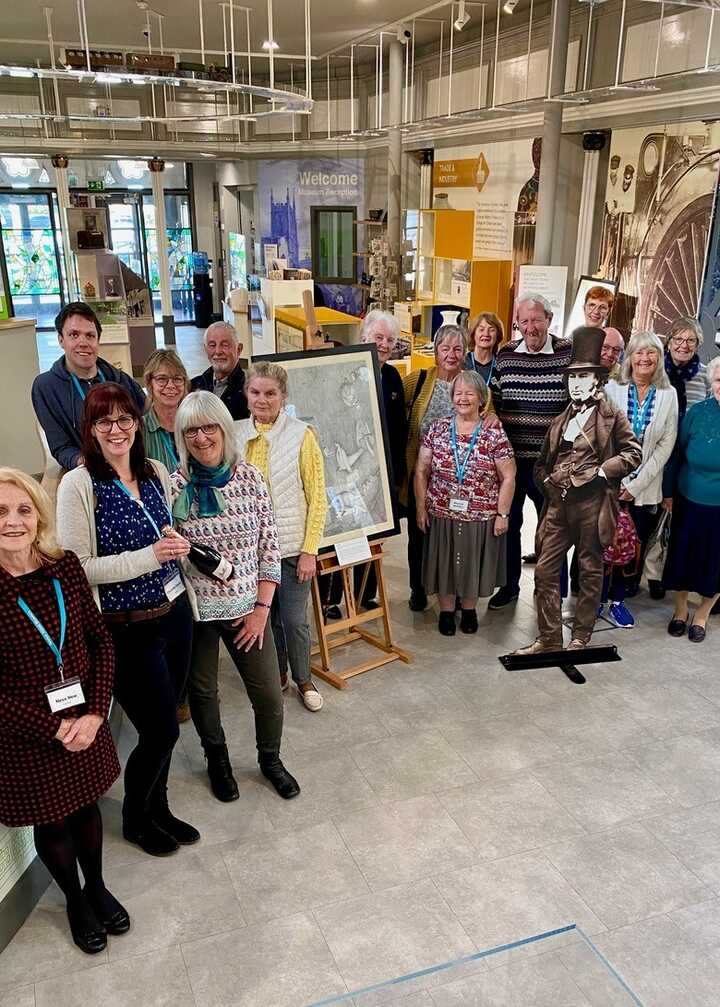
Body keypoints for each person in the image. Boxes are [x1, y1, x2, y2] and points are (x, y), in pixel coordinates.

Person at [56, 384, 198, 858]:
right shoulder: (78, 484)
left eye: (124, 419)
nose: (115, 429)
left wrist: (173, 545)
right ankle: (136, 818)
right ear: (90, 429)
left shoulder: (154, 470)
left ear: (137, 422)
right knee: (160, 731)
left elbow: (163, 532)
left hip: (174, 614)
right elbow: (77, 568)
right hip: (124, 628)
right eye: (104, 421)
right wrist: (149, 556)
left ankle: (159, 807)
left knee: (169, 721)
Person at [0, 468, 128, 955]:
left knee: (87, 807)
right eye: (0, 512)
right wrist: (55, 728)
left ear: (39, 515)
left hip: (84, 720)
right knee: (52, 822)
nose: (13, 521)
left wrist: (95, 714)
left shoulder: (65, 566)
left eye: (23, 509)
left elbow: (100, 641)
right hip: (28, 735)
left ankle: (96, 886)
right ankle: (75, 900)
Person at [171, 391, 299, 803]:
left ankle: (270, 760)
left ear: (224, 429)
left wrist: (261, 610)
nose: (201, 438)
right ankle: (218, 762)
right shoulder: (175, 486)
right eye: (191, 430)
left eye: (209, 427)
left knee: (268, 693)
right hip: (197, 612)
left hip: (249, 609)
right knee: (203, 692)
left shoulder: (249, 478)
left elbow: (269, 549)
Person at [513, 328, 642, 655]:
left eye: (583, 376)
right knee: (545, 571)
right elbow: (541, 464)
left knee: (589, 570)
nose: (576, 383)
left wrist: (602, 471)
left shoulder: (612, 417)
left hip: (592, 504)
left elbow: (633, 453)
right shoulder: (560, 420)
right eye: (572, 376)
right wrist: (547, 484)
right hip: (558, 504)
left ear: (597, 380)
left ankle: (581, 636)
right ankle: (549, 637)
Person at [237, 362, 327, 712]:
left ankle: (304, 678)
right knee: (267, 617)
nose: (262, 399)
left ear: (283, 396)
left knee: (293, 620)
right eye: (255, 392)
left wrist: (310, 550)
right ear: (247, 395)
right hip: (254, 552)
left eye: (270, 393)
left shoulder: (302, 435)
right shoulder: (235, 434)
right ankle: (278, 673)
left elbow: (317, 497)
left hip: (292, 549)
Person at [415, 371, 515, 635]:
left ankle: (469, 610)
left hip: (480, 514)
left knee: (473, 562)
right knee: (445, 562)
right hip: (441, 511)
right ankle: (447, 611)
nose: (463, 398)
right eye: (458, 393)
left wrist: (503, 514)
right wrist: (420, 507)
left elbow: (508, 475)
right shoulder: (437, 428)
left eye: (469, 393)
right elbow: (421, 470)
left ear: (481, 398)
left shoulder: (494, 432)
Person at [488, 294, 572, 609]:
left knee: (553, 528)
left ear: (549, 319)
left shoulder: (568, 352)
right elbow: (494, 401)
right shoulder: (506, 354)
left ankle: (552, 591)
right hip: (510, 463)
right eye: (524, 321)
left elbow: (580, 404)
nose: (531, 327)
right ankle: (509, 586)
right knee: (508, 525)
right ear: (517, 324)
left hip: (551, 463)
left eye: (536, 320)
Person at [604, 332, 678, 627]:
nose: (645, 358)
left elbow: (665, 446)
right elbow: (601, 437)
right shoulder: (613, 389)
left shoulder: (669, 395)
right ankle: (595, 600)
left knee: (631, 550)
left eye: (651, 353)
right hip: (609, 485)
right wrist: (617, 479)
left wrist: (635, 485)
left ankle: (618, 601)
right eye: (638, 352)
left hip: (644, 490)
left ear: (659, 358)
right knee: (600, 546)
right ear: (629, 357)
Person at [401, 324, 470, 612]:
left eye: (457, 349)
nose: (451, 355)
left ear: (465, 353)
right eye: (445, 348)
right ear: (436, 352)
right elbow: (389, 400)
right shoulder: (419, 379)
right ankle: (418, 589)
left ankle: (452, 592)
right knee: (418, 536)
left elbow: (488, 416)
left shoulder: (473, 384)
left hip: (457, 483)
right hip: (420, 475)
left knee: (453, 540)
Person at [31, 302, 145, 471]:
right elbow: (61, 447)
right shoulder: (46, 387)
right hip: (88, 470)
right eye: (74, 335)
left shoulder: (119, 379)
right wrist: (90, 465)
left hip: (129, 465)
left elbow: (144, 417)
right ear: (61, 339)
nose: (83, 342)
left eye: (90, 335)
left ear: (98, 340)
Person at [664, 356, 720, 643]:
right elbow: (677, 454)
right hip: (688, 499)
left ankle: (702, 615)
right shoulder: (697, 413)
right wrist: (668, 492)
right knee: (682, 557)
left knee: (716, 564)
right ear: (712, 382)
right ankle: (681, 610)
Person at [191, 321, 249, 420]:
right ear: (205, 349)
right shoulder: (193, 386)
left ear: (238, 349)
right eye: (212, 345)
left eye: (225, 345)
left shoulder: (250, 391)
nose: (218, 351)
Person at [143, 348, 189, 473]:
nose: (170, 386)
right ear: (149, 383)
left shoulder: (194, 423)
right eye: (162, 379)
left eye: (177, 379)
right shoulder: (139, 430)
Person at [664, 317, 711, 419]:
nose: (684, 346)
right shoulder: (655, 371)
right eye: (678, 339)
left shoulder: (708, 374)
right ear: (669, 343)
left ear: (697, 345)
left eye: (691, 340)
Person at [464, 311, 504, 387]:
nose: (486, 334)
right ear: (473, 333)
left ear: (498, 335)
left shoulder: (502, 365)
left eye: (491, 330)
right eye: (481, 329)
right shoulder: (462, 363)